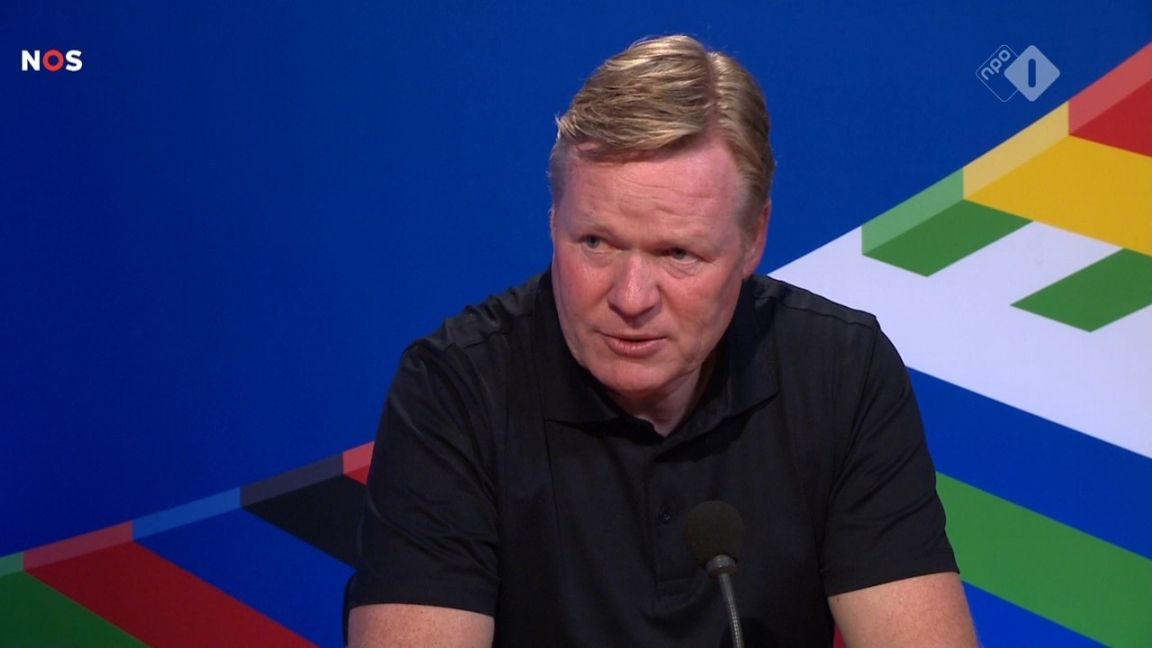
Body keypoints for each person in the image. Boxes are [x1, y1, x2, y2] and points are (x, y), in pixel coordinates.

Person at [348, 34, 977, 647]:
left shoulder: (840, 372)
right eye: (596, 243)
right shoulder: (455, 390)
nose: (630, 298)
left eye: (678, 254)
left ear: (753, 239)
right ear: (553, 219)